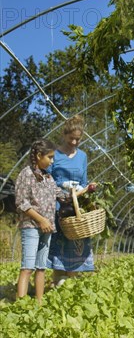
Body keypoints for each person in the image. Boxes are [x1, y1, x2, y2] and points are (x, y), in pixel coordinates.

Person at [47, 114, 95, 285]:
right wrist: (62, 185)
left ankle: (71, 281)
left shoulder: (82, 156)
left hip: (76, 204)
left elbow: (84, 180)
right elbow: (47, 178)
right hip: (59, 204)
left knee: (76, 239)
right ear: (64, 134)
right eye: (71, 138)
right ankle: (57, 279)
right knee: (60, 239)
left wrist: (86, 189)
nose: (74, 142)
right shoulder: (55, 154)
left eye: (78, 139)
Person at [15, 139, 65, 302]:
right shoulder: (26, 174)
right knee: (27, 267)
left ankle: (39, 303)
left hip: (47, 228)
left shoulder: (48, 178)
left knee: (41, 267)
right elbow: (22, 203)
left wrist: (83, 191)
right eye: (49, 157)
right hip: (31, 226)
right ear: (38, 155)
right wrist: (41, 220)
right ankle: (21, 305)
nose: (52, 161)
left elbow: (61, 195)